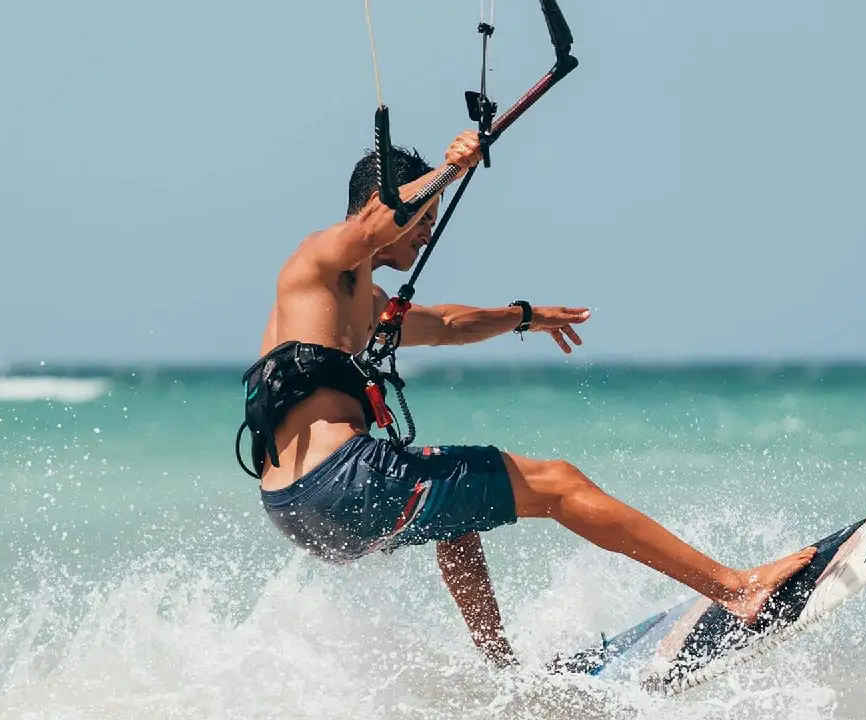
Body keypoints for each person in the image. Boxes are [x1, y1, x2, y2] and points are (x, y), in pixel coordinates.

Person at [239, 128, 816, 668]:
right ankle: (737, 590)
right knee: (559, 483)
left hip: (296, 510)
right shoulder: (318, 257)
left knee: (455, 510)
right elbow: (371, 229)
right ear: (381, 202)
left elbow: (447, 325)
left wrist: (526, 315)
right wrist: (447, 170)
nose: (426, 233)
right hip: (344, 481)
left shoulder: (357, 305)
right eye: (422, 219)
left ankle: (501, 671)